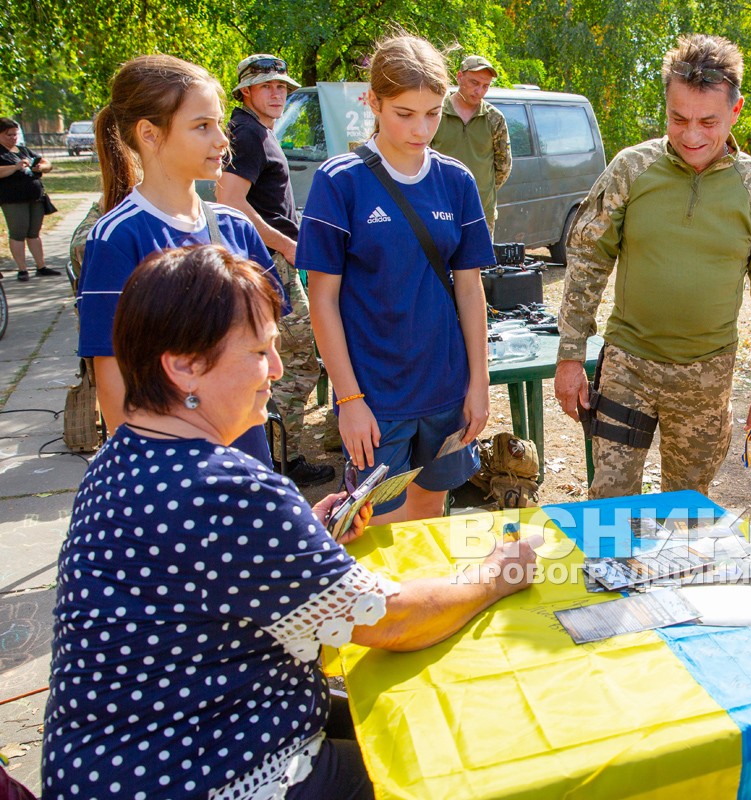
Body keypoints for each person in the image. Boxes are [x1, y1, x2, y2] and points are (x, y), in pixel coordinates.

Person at [41, 245, 536, 799]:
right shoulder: (225, 488)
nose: (277, 371)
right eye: (258, 352)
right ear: (182, 364)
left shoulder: (118, 461)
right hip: (214, 775)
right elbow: (392, 622)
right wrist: (498, 573)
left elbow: (205, 585)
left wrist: (305, 540)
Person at [553, 33, 751, 500]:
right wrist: (570, 354)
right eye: (678, 118)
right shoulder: (631, 169)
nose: (691, 135)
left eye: (709, 121)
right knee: (610, 505)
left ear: (736, 110)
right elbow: (586, 260)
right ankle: (606, 573)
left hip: (706, 377)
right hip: (628, 369)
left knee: (687, 511)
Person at [301, 33, 493, 525]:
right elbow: (321, 300)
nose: (421, 128)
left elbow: (470, 290)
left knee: (430, 513)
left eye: (432, 113)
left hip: (447, 390)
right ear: (373, 102)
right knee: (377, 524)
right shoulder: (339, 180)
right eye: (404, 113)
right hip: (375, 397)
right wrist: (348, 399)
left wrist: (479, 384)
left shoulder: (457, 180)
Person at [77, 54, 288, 466]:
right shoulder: (118, 237)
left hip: (244, 452)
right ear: (149, 134)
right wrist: (141, 475)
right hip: (168, 466)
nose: (222, 141)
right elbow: (112, 375)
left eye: (219, 124)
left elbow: (266, 341)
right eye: (201, 127)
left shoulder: (235, 226)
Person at [216, 53, 334, 487]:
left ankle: (270, 454)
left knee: (287, 354)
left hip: (272, 258)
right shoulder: (246, 133)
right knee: (299, 358)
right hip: (268, 260)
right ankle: (274, 457)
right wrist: (285, 244)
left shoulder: (255, 131)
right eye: (267, 86)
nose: (277, 92)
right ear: (246, 91)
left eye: (281, 86)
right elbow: (229, 200)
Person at [429, 54, 511, 233]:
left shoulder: (494, 118)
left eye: (485, 86)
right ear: (459, 77)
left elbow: (503, 167)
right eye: (475, 83)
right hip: (439, 209)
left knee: (479, 262)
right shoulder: (436, 112)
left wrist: (480, 189)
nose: (479, 91)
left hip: (480, 213)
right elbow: (420, 158)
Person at [0, 117, 61, 282]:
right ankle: (22, 269)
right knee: (18, 232)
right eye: (8, 135)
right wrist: (15, 167)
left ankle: (41, 266)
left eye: (14, 134)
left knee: (34, 233)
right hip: (13, 200)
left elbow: (46, 163)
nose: (13, 138)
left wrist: (41, 167)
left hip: (35, 197)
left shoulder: (22, 150)